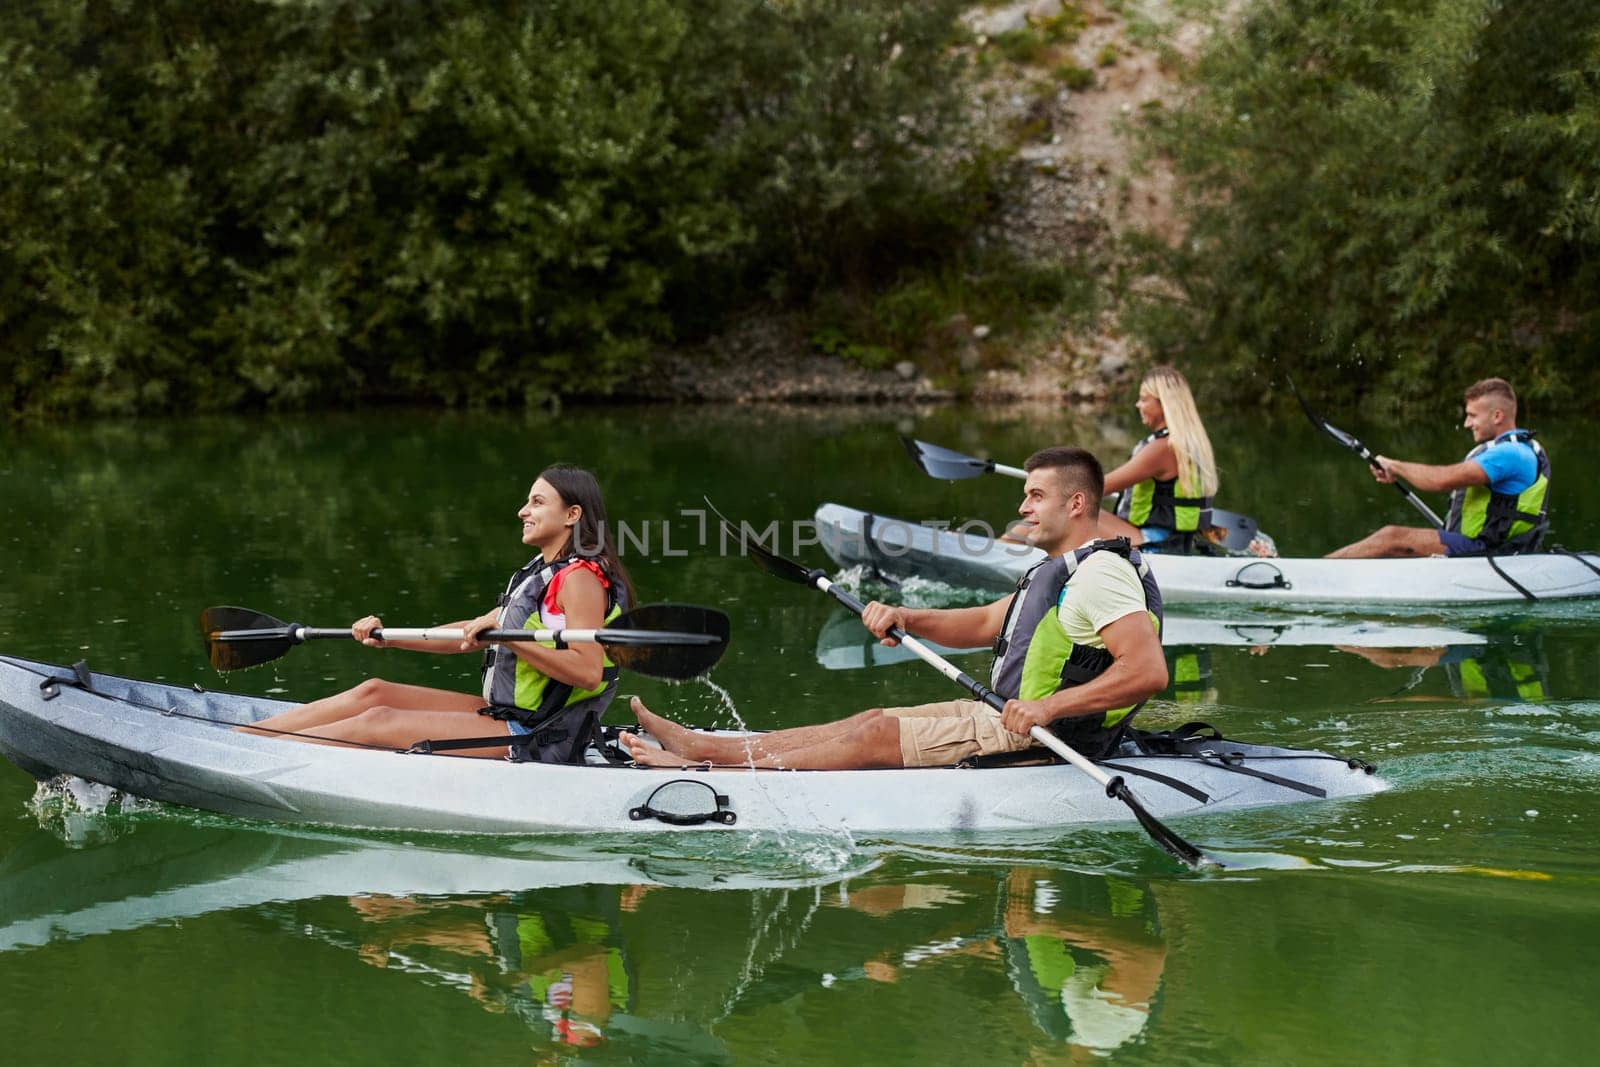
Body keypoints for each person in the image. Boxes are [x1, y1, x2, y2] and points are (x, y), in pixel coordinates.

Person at [622, 446, 1168, 770]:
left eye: (1035, 496)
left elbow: (1146, 672)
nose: (1022, 507)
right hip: (1007, 715)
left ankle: (705, 769)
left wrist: (1048, 709)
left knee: (873, 739)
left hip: (1043, 736)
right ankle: (710, 747)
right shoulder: (1059, 571)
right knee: (873, 719)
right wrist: (908, 617)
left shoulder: (1102, 575)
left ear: (1076, 504)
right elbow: (983, 622)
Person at [242, 464, 635, 761]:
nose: (522, 511)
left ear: (572, 515)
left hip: (538, 733)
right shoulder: (541, 574)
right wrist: (387, 636)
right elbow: (466, 633)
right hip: (507, 713)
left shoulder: (581, 579)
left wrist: (508, 637)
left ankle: (253, 759)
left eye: (537, 502)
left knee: (378, 721)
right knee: (374, 691)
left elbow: (587, 673)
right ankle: (237, 739)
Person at [1327, 378, 1550, 558]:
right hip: (1489, 546)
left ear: (1497, 416)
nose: (1467, 423)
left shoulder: (1509, 454)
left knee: (1392, 537)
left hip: (1490, 550)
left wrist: (1395, 466)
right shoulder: (1515, 450)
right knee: (1402, 545)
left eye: (1472, 415)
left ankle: (1316, 573)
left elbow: (1440, 481)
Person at [1097, 365, 1220, 551]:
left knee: (1075, 510)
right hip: (1177, 541)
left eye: (1144, 399)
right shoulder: (1186, 443)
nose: (1138, 405)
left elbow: (1101, 487)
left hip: (1154, 544)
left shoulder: (1162, 449)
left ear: (1164, 404)